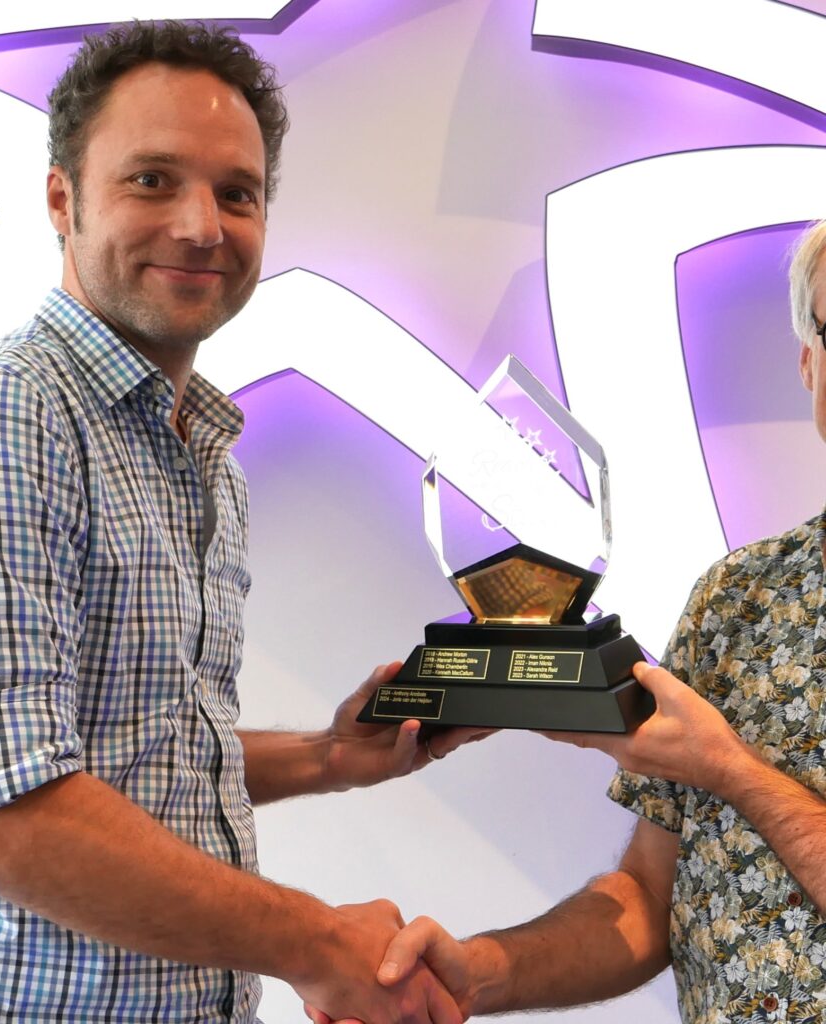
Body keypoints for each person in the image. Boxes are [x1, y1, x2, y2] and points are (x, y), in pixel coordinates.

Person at [0, 21, 486, 1024]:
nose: (201, 224)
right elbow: (6, 819)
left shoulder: (200, 457)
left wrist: (328, 756)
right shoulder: (4, 415)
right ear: (61, 198)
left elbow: (139, 746)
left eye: (238, 192)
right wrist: (321, 944)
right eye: (151, 180)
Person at [312, 219, 826, 1023]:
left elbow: (730, 780)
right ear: (808, 359)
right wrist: (472, 974)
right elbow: (651, 896)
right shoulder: (738, 597)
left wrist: (731, 770)